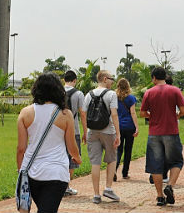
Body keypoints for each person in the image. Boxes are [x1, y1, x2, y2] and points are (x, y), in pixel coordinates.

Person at [17, 73, 82, 213]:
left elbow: (21, 148)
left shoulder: (25, 113)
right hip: (56, 172)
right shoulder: (65, 114)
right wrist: (78, 158)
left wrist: (20, 170)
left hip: (31, 172)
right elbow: (71, 147)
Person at [140, 67, 184, 207]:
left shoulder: (149, 92)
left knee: (156, 165)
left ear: (154, 78)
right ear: (165, 77)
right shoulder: (175, 90)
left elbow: (142, 113)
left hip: (154, 133)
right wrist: (176, 116)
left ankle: (160, 196)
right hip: (171, 131)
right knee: (176, 161)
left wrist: (152, 116)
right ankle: (170, 186)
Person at [84, 70, 121, 204]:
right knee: (111, 159)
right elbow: (114, 115)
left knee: (95, 163)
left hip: (92, 131)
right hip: (108, 131)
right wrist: (118, 133)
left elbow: (83, 113)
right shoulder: (111, 94)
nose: (112, 81)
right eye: (111, 79)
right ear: (105, 79)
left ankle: (96, 195)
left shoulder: (88, 94)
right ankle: (108, 188)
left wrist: (85, 131)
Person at [62, 69, 86, 196]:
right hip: (74, 130)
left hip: (59, 130)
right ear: (75, 80)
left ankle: (60, 186)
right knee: (73, 158)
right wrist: (85, 131)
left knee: (61, 157)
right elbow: (82, 113)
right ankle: (66, 187)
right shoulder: (79, 94)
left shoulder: (58, 92)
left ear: (64, 80)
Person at [114, 78, 139, 181]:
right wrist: (137, 126)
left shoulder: (114, 98)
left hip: (118, 126)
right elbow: (133, 113)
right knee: (128, 150)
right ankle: (125, 173)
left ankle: (114, 170)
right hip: (129, 126)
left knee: (118, 150)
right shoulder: (131, 98)